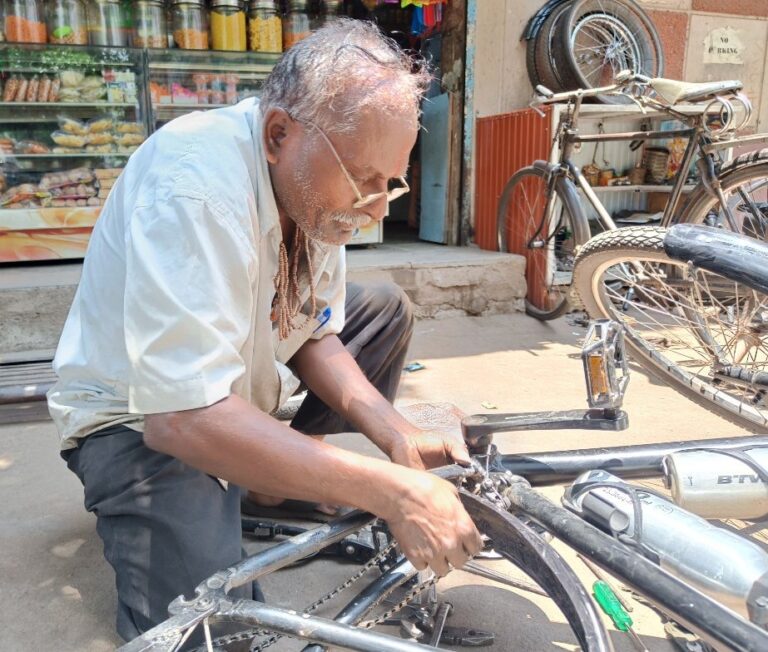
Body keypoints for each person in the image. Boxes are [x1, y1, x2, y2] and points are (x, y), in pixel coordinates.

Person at [47, 19, 482, 643]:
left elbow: (314, 332)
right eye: (365, 180)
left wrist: (398, 436)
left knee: (381, 307)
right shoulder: (193, 185)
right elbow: (181, 417)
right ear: (280, 133)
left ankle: (263, 482)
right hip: (138, 420)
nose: (379, 206)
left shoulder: (313, 185)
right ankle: (238, 473)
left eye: (392, 182)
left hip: (222, 391)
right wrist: (392, 492)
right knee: (214, 628)